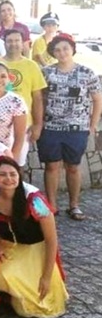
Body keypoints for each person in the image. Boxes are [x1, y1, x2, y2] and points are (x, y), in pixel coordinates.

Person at [0, 156, 69, 318]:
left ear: (19, 175)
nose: (8, 178)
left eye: (12, 174)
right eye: (2, 174)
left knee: (37, 303)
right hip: (9, 247)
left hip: (36, 251)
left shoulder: (34, 200)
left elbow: (52, 240)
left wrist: (46, 277)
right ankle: (6, 296)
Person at [39, 33, 102, 221]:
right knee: (51, 166)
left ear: (72, 49)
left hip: (77, 128)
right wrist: (39, 122)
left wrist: (92, 125)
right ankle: (51, 204)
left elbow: (97, 100)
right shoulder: (47, 73)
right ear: (53, 53)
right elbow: (40, 99)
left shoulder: (87, 73)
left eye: (65, 48)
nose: (62, 52)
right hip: (51, 127)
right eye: (57, 50)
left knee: (73, 167)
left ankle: (74, 205)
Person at [0, 29, 47, 153]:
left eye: (17, 40)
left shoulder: (31, 66)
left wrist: (37, 125)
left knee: (17, 163)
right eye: (9, 41)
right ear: (4, 43)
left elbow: (37, 98)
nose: (13, 44)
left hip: (24, 123)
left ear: (23, 43)